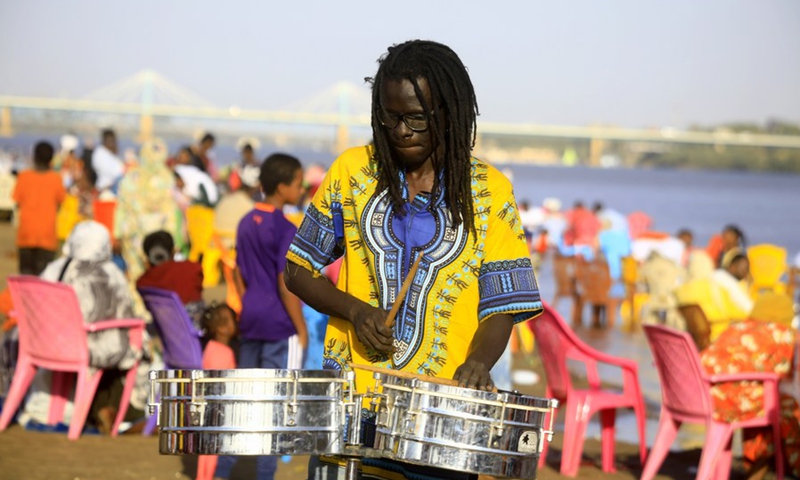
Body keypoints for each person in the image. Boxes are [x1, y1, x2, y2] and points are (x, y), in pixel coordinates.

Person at [284, 40, 542, 480]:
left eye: (416, 118)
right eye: (390, 116)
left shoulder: (490, 190)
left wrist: (479, 361)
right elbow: (297, 269)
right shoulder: (351, 171)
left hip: (441, 422)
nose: (400, 130)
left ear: (448, 113)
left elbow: (501, 306)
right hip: (352, 414)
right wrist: (356, 310)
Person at [215, 153, 307, 480]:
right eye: (298, 183)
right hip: (277, 323)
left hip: (250, 317)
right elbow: (287, 284)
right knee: (269, 407)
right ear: (283, 187)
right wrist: (301, 329)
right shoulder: (283, 227)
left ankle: (222, 471)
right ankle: (264, 474)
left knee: (242, 402)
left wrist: (245, 301)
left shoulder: (244, 221)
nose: (302, 188)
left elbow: (239, 272)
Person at [31, 221, 145, 433]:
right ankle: (122, 411)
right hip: (85, 348)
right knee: (138, 349)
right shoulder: (110, 273)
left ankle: (102, 408)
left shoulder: (54, 267)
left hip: (44, 344)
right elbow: (124, 314)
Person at [700, 293, 800, 479]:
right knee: (785, 407)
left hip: (694, 396)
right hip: (724, 404)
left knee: (767, 400)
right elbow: (788, 377)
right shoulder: (783, 334)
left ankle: (755, 467)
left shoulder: (735, 328)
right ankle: (772, 467)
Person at [114, 138, 180, 286]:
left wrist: (117, 233)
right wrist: (174, 239)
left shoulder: (131, 176)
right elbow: (170, 211)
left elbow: (121, 207)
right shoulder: (167, 177)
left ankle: (136, 305)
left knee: (135, 275)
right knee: (157, 276)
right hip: (158, 237)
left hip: (132, 235)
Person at [196, 303, 238, 480]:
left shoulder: (210, 347)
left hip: (206, 405)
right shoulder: (225, 352)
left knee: (205, 449)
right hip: (218, 408)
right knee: (215, 448)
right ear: (223, 329)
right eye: (231, 321)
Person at [12, 140, 66, 275]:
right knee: (44, 278)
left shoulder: (23, 177)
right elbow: (59, 203)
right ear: (52, 158)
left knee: (25, 277)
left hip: (26, 234)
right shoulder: (56, 179)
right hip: (47, 236)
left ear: (34, 156)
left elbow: (18, 202)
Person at [136, 230, 204, 329]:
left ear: (148, 258)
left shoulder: (143, 282)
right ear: (172, 252)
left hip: (170, 333)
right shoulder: (191, 268)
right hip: (196, 331)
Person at [711, 252, 754, 325]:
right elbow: (749, 308)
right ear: (732, 266)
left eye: (747, 269)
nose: (745, 272)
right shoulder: (728, 281)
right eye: (743, 268)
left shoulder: (716, 274)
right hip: (722, 324)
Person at [90, 129, 125, 193]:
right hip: (105, 188)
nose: (113, 143)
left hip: (114, 186)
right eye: (111, 141)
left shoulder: (109, 153)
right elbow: (116, 172)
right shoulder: (100, 153)